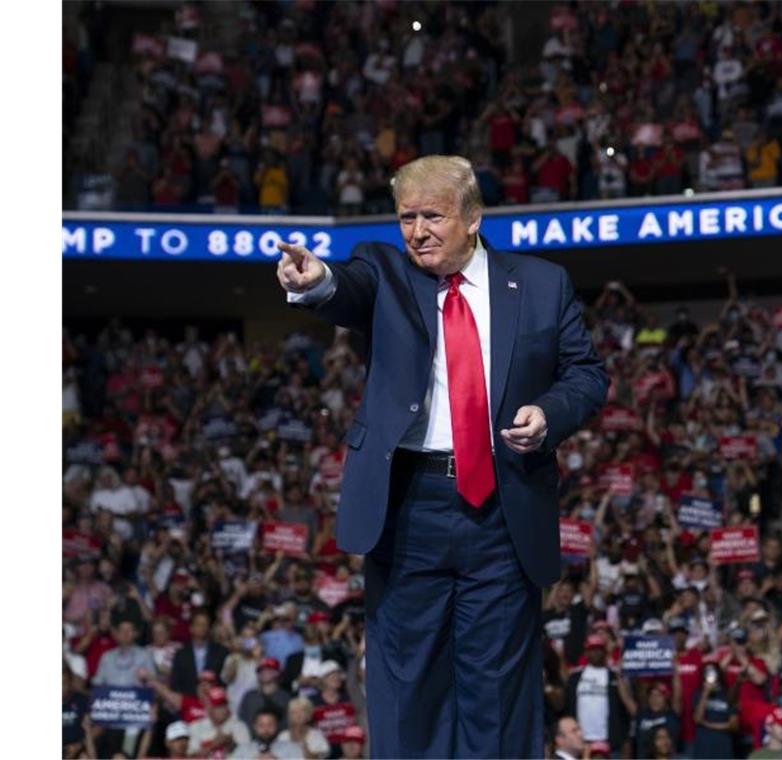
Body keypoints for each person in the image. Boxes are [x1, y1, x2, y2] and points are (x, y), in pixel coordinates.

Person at [275, 154, 608, 757]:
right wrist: (315, 279)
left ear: (474, 217)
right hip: (409, 509)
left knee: (499, 688)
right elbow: (342, 287)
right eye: (407, 217)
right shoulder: (385, 272)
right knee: (409, 685)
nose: (417, 231)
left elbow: (586, 375)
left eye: (433, 216)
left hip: (503, 508)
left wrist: (549, 413)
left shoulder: (540, 283)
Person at [169, 609, 227, 696]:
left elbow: (225, 681)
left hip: (214, 704)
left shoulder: (221, 652)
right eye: (198, 624)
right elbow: (175, 684)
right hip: (188, 702)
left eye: (205, 624)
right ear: (191, 628)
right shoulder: (181, 654)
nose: (202, 628)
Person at [233, 707, 305, 759]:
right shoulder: (243, 750)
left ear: (277, 726)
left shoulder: (292, 749)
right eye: (261, 725)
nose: (265, 729)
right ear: (254, 727)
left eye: (270, 725)